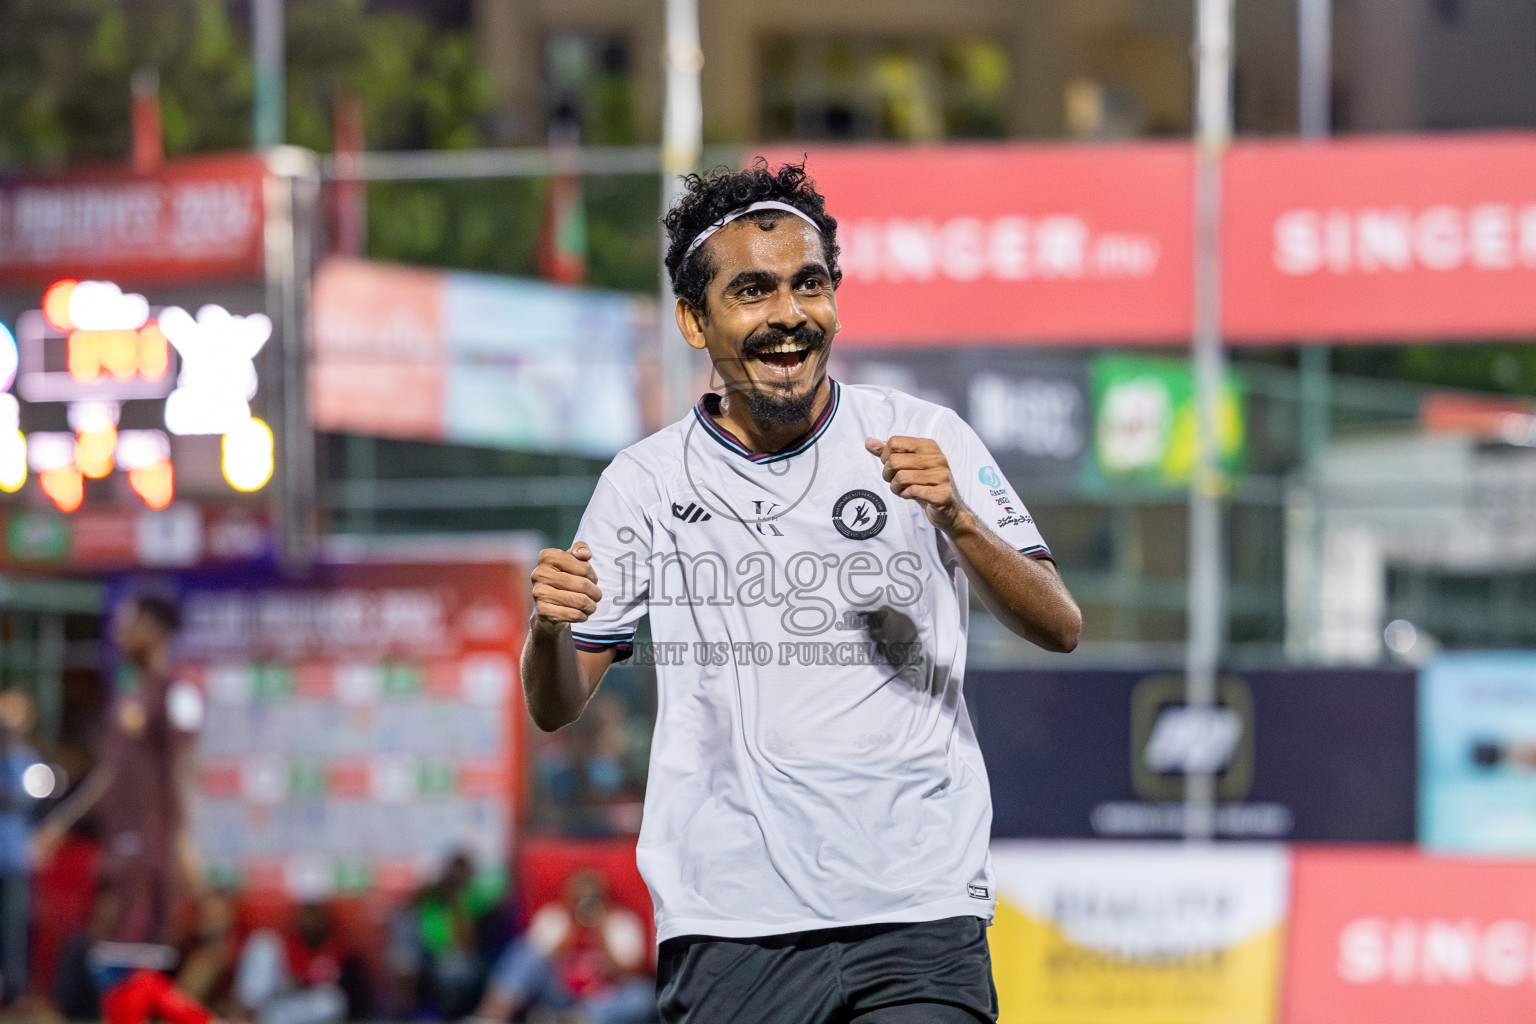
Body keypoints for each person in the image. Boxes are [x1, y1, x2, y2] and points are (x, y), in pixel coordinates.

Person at [522, 161, 1082, 1024]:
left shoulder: (925, 437)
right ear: (693, 320)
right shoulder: (643, 481)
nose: (788, 314)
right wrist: (550, 632)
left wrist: (959, 521)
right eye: (752, 290)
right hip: (731, 924)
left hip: (919, 909)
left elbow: (1060, 623)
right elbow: (557, 706)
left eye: (808, 284)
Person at [33, 592, 212, 1018]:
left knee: (130, 962)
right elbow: (108, 778)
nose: (118, 633)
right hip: (121, 849)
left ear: (154, 631)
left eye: (128, 623)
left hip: (151, 851)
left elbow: (183, 772)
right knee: (115, 961)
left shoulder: (176, 693)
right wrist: (60, 825)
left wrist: (184, 841)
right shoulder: (131, 698)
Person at [468, 869, 652, 1024]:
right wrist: (573, 927)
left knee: (642, 995)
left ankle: (575, 1019)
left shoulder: (622, 922)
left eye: (593, 897)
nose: (586, 904)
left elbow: (628, 974)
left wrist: (601, 933)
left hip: (601, 997)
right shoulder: (552, 917)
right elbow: (535, 964)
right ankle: (493, 1013)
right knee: (526, 950)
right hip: (559, 991)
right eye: (579, 898)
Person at [232, 900, 371, 1024]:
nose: (310, 921)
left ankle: (257, 1020)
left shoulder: (339, 950)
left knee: (331, 1001)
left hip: (291, 1008)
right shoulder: (288, 943)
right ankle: (243, 1014)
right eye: (306, 914)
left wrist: (304, 984)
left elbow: (350, 997)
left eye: (315, 915)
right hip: (269, 997)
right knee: (263, 941)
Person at [0, 690, 41, 1006]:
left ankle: (14, 992)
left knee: (14, 931)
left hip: (14, 860)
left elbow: (29, 797)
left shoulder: (26, 760)